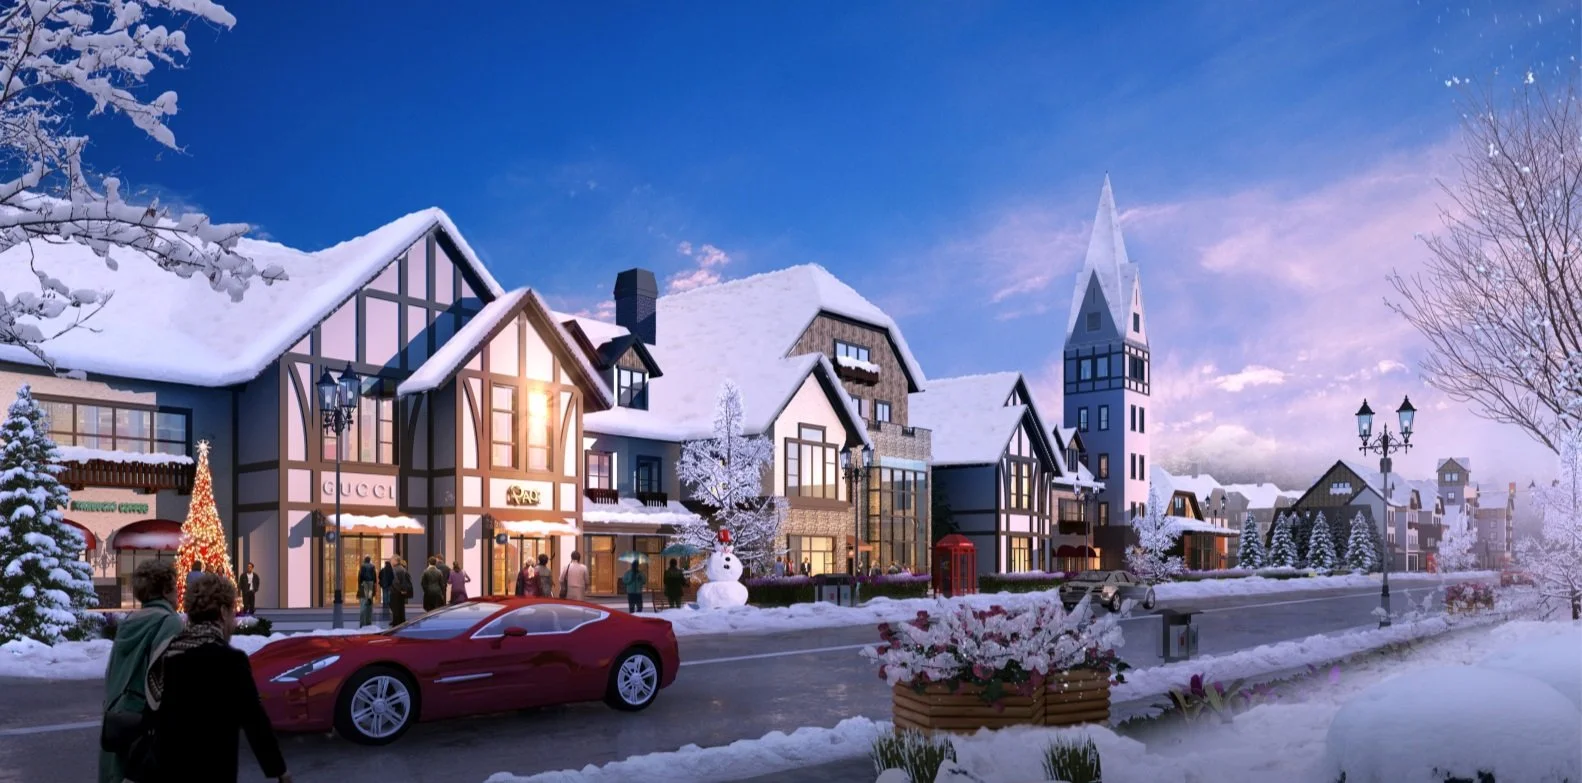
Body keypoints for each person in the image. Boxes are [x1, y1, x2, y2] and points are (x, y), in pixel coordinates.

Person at [146, 573, 291, 783]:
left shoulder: (168, 655)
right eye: (233, 613)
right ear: (223, 612)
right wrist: (279, 770)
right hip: (215, 771)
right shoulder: (230, 661)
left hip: (168, 771)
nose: (233, 621)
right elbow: (254, 721)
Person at [99, 560, 185, 783]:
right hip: (145, 725)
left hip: (117, 718)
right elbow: (171, 682)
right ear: (166, 591)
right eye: (175, 588)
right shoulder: (170, 622)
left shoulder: (128, 622)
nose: (178, 594)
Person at [390, 558, 412, 626]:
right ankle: (401, 622)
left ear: (395, 561)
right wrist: (403, 590)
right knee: (401, 608)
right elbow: (406, 581)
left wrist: (400, 589)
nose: (391, 561)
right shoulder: (403, 569)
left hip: (395, 592)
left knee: (395, 608)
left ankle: (396, 623)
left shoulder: (394, 569)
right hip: (401, 592)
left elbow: (395, 582)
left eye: (392, 560)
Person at [357, 556, 377, 627]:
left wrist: (359, 588)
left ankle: (362, 623)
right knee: (369, 605)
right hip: (370, 588)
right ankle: (369, 622)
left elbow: (359, 579)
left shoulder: (362, 567)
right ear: (369, 560)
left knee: (363, 605)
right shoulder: (372, 567)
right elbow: (375, 579)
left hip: (363, 587)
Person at [378, 557, 395, 623]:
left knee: (385, 596)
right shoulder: (391, 570)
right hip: (389, 585)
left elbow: (379, 576)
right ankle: (389, 606)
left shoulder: (383, 570)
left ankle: (385, 608)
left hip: (384, 586)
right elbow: (393, 578)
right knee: (389, 596)